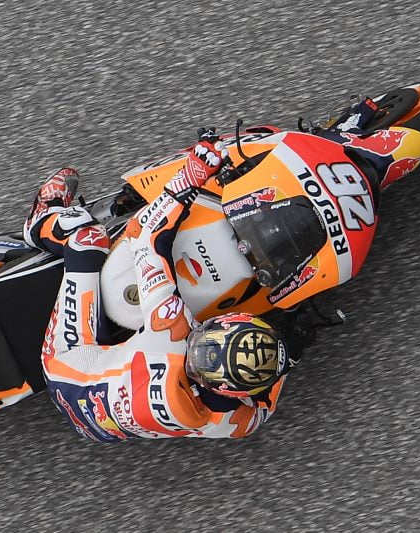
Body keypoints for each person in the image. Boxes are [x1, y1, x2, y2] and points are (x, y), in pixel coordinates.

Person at [22, 130, 291, 441]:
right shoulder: (227, 420)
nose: (195, 347)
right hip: (98, 431)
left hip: (67, 368)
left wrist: (193, 174)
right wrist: (284, 357)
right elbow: (264, 405)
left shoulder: (170, 336)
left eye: (202, 351)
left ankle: (41, 221)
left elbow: (145, 235)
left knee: (88, 240)